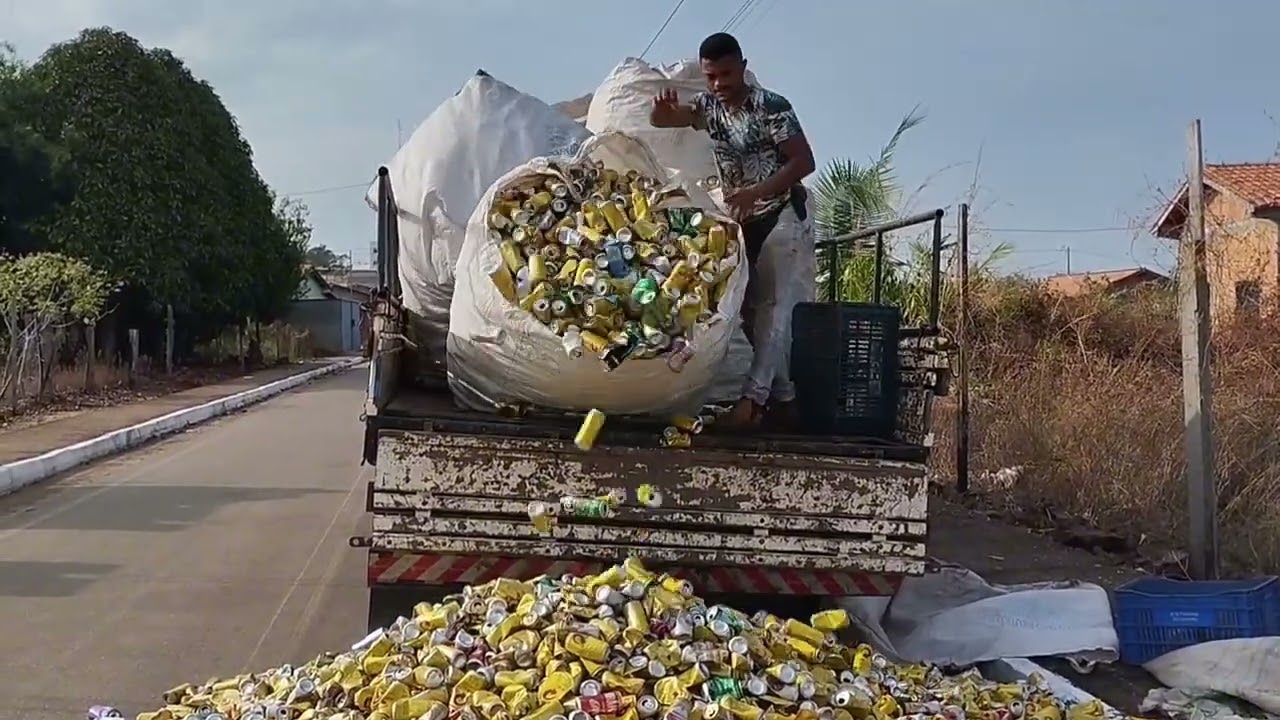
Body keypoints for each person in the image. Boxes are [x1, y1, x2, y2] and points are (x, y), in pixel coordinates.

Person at [649, 32, 817, 430]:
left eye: (726, 74)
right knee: (744, 311)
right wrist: (661, 113)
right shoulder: (710, 107)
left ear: (742, 67)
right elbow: (667, 120)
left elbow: (803, 162)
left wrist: (756, 192)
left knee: (774, 308)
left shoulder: (771, 107)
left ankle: (751, 404)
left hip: (781, 214)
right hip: (744, 220)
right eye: (711, 77)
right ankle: (785, 399)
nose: (719, 84)